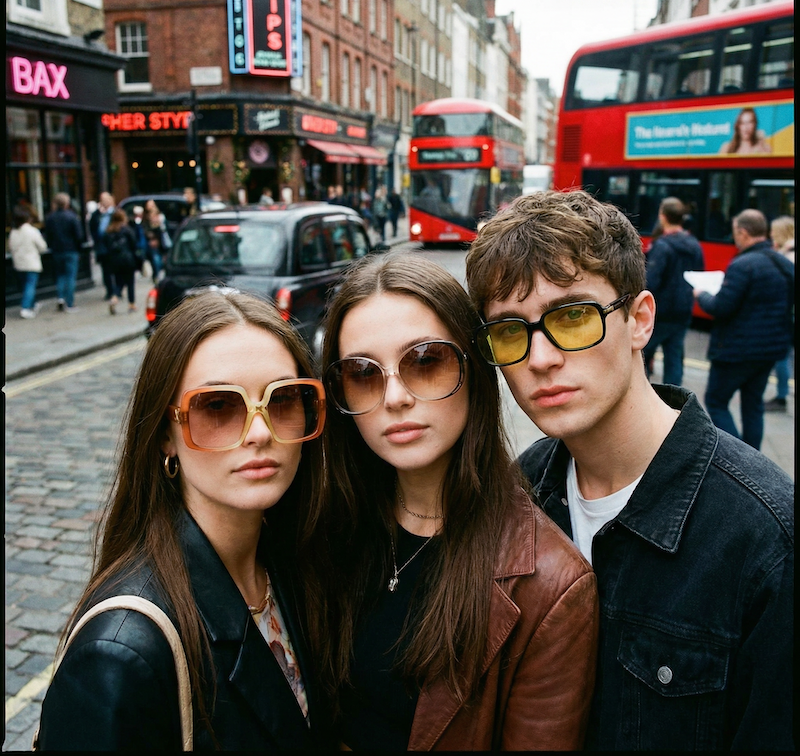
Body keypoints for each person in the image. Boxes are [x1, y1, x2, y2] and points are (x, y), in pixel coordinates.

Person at [465, 190, 794, 750]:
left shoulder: (765, 540)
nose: (541, 358)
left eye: (572, 317)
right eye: (510, 332)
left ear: (640, 320)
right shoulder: (522, 490)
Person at [310, 251, 599, 750]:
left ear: (473, 369)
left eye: (425, 362)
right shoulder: (323, 526)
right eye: (363, 373)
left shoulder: (548, 587)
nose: (396, 396)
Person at [37, 290, 330, 749]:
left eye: (284, 399)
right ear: (164, 436)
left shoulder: (294, 561)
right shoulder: (119, 655)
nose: (259, 432)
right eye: (217, 406)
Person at [694, 208, 794, 449]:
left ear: (743, 232)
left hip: (736, 350)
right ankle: (754, 457)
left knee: (716, 401)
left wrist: (702, 294)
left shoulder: (743, 264)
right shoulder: (782, 262)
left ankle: (735, 456)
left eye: (735, 232)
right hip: (770, 349)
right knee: (753, 404)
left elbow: (722, 306)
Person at [642, 197, 704, 386]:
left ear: (663, 216)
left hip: (661, 311)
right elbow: (699, 275)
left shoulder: (662, 246)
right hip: (683, 309)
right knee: (674, 358)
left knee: (643, 355)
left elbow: (651, 280)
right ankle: (673, 399)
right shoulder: (694, 244)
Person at [764, 215, 795, 411]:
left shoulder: (788, 256)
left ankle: (782, 396)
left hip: (786, 312)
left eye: (774, 231)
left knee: (782, 355)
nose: (770, 235)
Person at [44, 192, 84, 313]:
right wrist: (79, 248)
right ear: (67, 203)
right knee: (70, 277)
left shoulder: (50, 217)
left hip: (57, 251)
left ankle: (60, 298)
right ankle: (69, 303)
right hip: (70, 250)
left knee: (60, 276)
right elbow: (79, 235)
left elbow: (48, 235)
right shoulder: (71, 217)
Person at [9, 205, 48, 319]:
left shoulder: (13, 232)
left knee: (25, 285)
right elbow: (42, 246)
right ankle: (25, 308)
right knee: (30, 285)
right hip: (31, 262)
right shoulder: (32, 231)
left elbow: (11, 247)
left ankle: (32, 304)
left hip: (19, 263)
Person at [102, 209, 140, 314]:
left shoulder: (108, 231)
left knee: (119, 282)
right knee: (130, 282)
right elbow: (134, 244)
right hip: (127, 260)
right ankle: (131, 304)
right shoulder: (127, 230)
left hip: (114, 261)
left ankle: (114, 297)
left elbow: (106, 246)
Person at [89, 192, 116, 300]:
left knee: (116, 270)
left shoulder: (114, 213)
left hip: (114, 246)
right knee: (106, 271)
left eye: (106, 200)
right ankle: (110, 291)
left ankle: (117, 290)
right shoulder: (97, 214)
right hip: (102, 248)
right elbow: (92, 228)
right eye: (102, 200)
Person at [144, 198, 169, 282]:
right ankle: (157, 275)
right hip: (154, 243)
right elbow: (147, 230)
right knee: (156, 260)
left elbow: (164, 229)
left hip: (162, 242)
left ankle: (160, 275)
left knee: (162, 259)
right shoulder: (147, 218)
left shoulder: (161, 217)